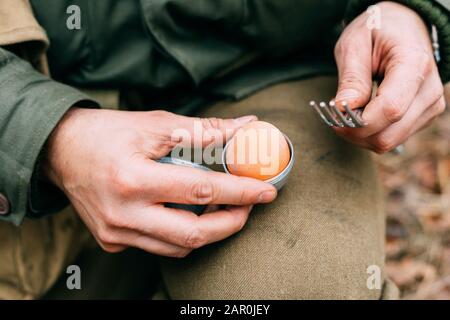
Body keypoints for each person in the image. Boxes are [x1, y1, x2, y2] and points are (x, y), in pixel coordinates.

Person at [0, 0, 448, 299]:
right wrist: (49, 134)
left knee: (286, 287)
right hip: (34, 97)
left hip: (271, 73)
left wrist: (411, 11)